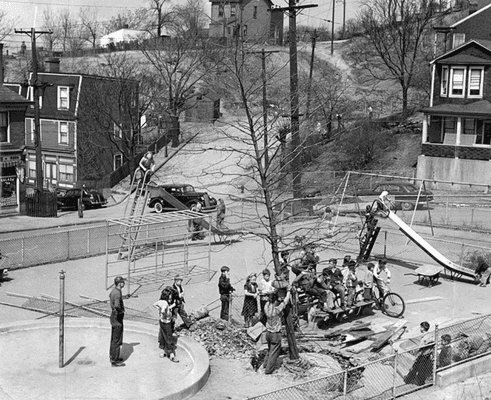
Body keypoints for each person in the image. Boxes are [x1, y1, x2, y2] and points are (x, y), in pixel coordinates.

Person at [263, 289, 292, 374]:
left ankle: (265, 364)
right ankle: (268, 370)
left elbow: (270, 301)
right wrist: (288, 292)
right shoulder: (277, 309)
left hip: (268, 333)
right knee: (274, 353)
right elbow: (285, 301)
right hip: (275, 333)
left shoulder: (266, 306)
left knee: (269, 350)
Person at [153, 287, 179, 362]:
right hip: (166, 321)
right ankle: (171, 353)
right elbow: (165, 309)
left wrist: (172, 306)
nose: (170, 298)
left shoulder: (162, 302)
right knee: (167, 336)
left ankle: (166, 351)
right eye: (169, 296)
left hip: (165, 321)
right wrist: (163, 312)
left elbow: (156, 305)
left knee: (165, 336)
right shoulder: (165, 303)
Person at [404, 321, 434, 386]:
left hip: (422, 356)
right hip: (428, 355)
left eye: (420, 327)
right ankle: (417, 381)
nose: (420, 329)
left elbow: (419, 348)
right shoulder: (431, 336)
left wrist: (414, 353)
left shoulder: (423, 339)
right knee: (422, 370)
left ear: (423, 328)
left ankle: (408, 380)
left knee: (414, 368)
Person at [109, 276, 126, 367]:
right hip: (117, 317)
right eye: (123, 282)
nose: (124, 284)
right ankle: (114, 360)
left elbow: (110, 297)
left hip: (113, 316)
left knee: (114, 338)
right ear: (120, 283)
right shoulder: (118, 293)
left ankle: (113, 356)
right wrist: (120, 310)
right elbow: (117, 305)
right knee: (116, 338)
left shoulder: (114, 291)